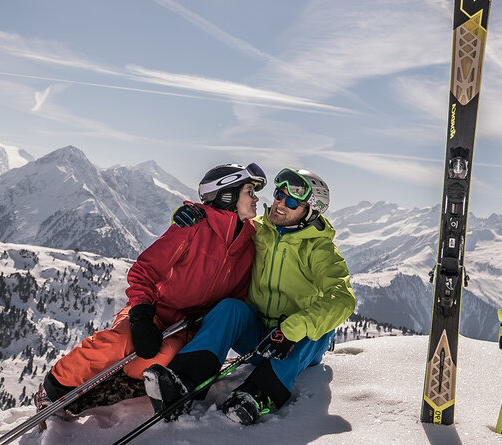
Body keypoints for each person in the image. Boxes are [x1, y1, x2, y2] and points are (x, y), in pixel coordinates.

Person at [34, 162, 267, 426]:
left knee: (158, 359)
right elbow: (144, 269)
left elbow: (236, 297)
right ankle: (52, 388)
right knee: (118, 343)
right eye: (250, 191)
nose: (256, 198)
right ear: (228, 195)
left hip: (185, 327)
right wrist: (142, 315)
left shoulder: (247, 245)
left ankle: (120, 379)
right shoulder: (192, 227)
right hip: (155, 311)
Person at [144, 167, 354, 425]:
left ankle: (260, 394)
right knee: (230, 308)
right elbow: (222, 223)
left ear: (309, 212)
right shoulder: (259, 229)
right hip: (257, 340)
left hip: (294, 344)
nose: (279, 204)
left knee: (320, 331)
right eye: (279, 194)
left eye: (291, 201)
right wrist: (192, 215)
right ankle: (183, 383)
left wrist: (291, 330)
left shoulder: (320, 249)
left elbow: (342, 298)